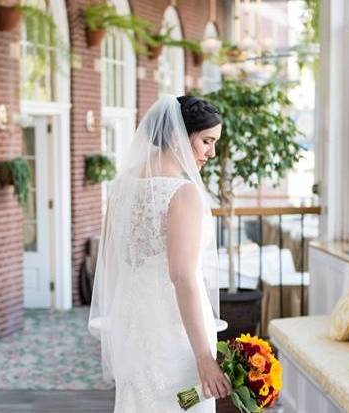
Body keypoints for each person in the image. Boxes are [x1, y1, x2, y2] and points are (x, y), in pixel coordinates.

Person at [88, 95, 231, 412]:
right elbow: (183, 277)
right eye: (207, 141)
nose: (211, 152)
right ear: (179, 135)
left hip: (135, 329)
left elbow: (113, 259)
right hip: (175, 336)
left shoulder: (123, 184)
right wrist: (205, 358)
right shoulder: (183, 193)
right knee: (183, 405)